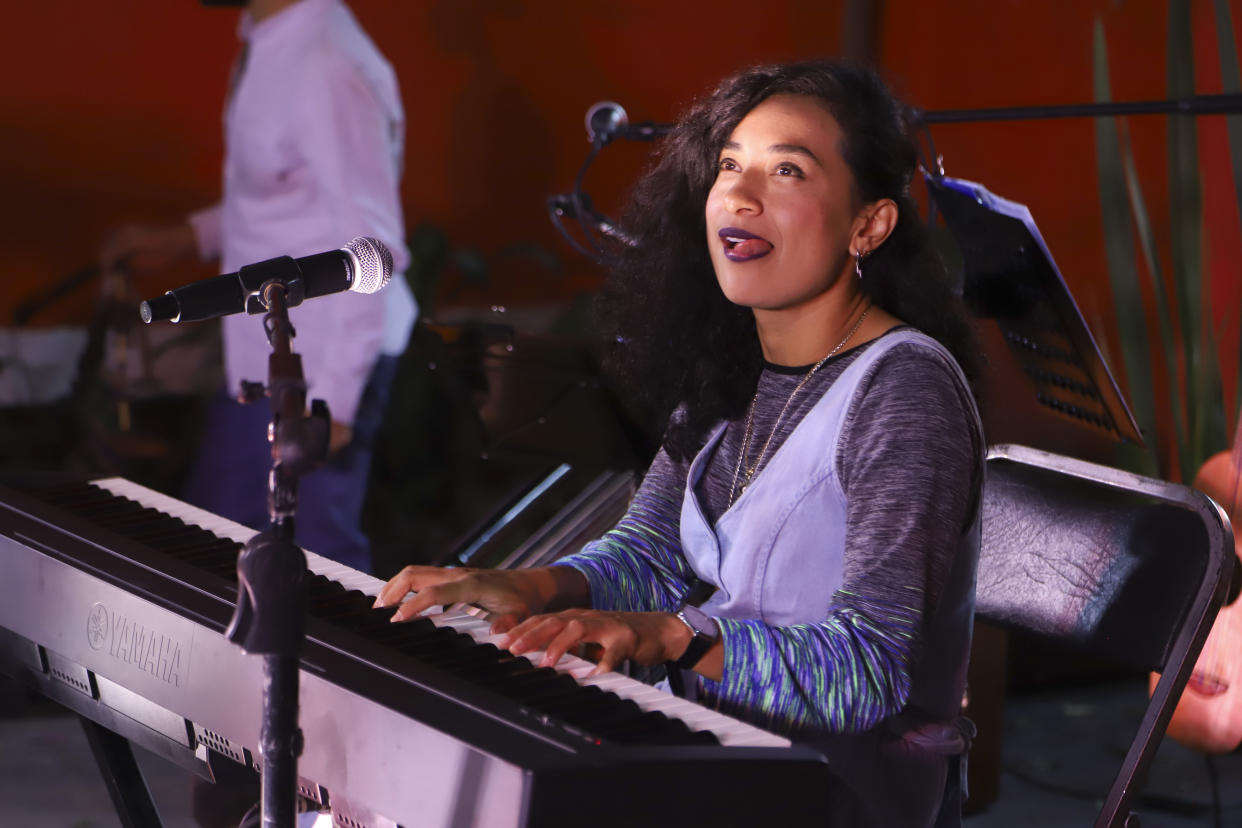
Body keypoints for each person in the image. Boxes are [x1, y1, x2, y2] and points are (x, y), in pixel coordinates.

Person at [375, 60, 984, 827]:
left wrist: (671, 637)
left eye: (787, 170)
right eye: (730, 165)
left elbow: (864, 674)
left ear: (870, 224)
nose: (740, 193)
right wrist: (534, 588)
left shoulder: (905, 391)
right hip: (718, 754)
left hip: (840, 795)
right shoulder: (733, 365)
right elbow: (649, 556)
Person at [102, 0, 415, 575]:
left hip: (318, 368)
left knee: (314, 579)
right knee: (223, 558)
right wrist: (185, 237)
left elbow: (374, 248)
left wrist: (336, 403)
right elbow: (283, 197)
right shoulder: (272, 40)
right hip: (266, 355)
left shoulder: (324, 61)